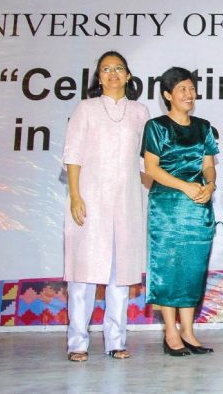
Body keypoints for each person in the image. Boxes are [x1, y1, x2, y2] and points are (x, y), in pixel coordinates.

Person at [62, 50, 150, 362]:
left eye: (118, 68)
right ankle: (78, 342)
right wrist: (75, 195)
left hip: (126, 202)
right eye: (105, 69)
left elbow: (146, 162)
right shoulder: (85, 109)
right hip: (90, 200)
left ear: (128, 75)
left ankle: (115, 340)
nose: (112, 73)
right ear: (98, 78)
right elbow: (72, 154)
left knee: (120, 274)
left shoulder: (140, 112)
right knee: (83, 275)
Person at [142, 67, 219, 356]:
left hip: (199, 208)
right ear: (167, 95)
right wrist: (185, 187)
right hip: (167, 208)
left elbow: (208, 163)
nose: (189, 94)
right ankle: (170, 332)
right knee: (169, 269)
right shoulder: (156, 126)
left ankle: (188, 331)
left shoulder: (203, 126)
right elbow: (151, 169)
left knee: (192, 269)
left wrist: (209, 184)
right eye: (182, 89)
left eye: (191, 88)